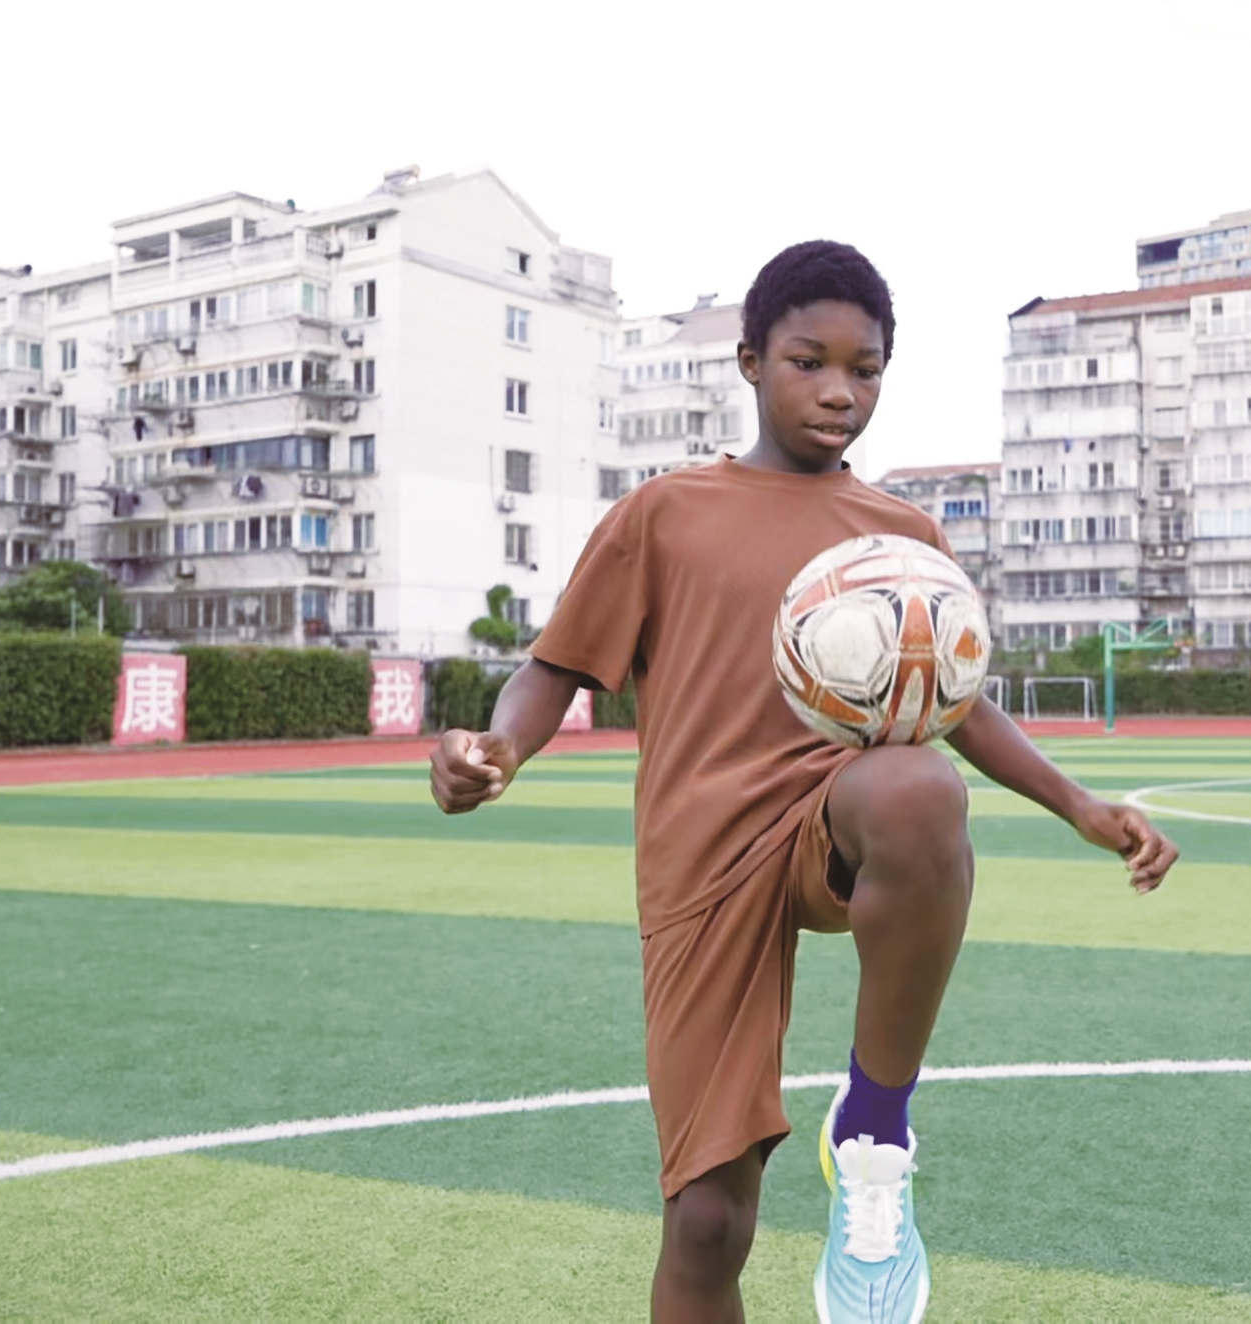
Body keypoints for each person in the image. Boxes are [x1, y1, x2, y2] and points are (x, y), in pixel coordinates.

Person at [431, 240, 1179, 1323]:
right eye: (808, 362)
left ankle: (873, 1127)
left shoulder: (904, 537)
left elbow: (954, 701)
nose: (839, 391)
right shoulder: (665, 513)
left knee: (917, 788)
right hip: (701, 859)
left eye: (865, 369)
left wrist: (1081, 806)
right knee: (706, 1220)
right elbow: (553, 669)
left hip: (833, 823)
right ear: (749, 362)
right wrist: (497, 748)